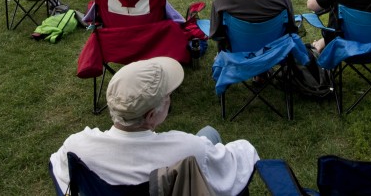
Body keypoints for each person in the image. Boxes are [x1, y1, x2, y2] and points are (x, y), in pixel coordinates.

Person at [50, 57, 257, 195]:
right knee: (209, 133)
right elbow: (242, 158)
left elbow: (63, 179)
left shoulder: (76, 147)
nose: (170, 98)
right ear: (151, 115)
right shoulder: (189, 151)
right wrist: (242, 147)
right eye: (168, 96)